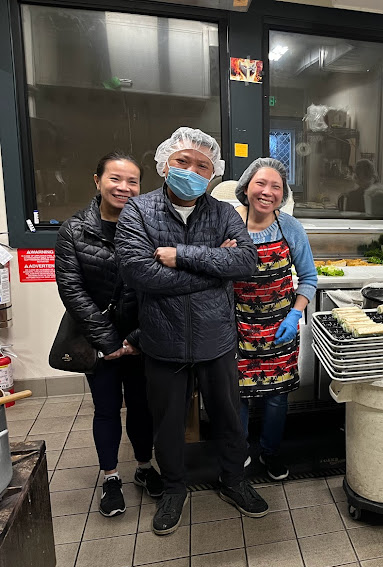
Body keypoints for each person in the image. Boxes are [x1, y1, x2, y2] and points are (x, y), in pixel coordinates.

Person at [115, 127, 267, 536]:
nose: (192, 171)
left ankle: (234, 480)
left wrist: (182, 256)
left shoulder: (222, 213)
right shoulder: (139, 212)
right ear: (165, 164)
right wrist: (212, 270)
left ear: (213, 174)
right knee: (166, 422)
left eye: (202, 166)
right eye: (183, 161)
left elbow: (245, 263)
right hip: (162, 340)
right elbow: (138, 271)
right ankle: (174, 488)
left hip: (215, 337)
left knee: (229, 418)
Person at [55, 152, 162, 517]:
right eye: (116, 178)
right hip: (97, 340)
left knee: (141, 406)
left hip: (140, 338)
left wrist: (134, 339)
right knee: (106, 409)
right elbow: (72, 290)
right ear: (97, 180)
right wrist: (110, 343)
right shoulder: (73, 230)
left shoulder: (148, 228)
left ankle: (145, 468)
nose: (124, 187)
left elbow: (156, 287)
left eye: (133, 181)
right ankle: (110, 476)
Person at [232, 158, 318, 480]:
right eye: (260, 184)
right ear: (246, 187)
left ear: (283, 195)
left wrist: (295, 313)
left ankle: (270, 452)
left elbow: (309, 277)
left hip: (279, 328)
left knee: (276, 397)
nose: (267, 192)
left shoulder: (289, 227)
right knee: (236, 395)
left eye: (276, 187)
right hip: (236, 328)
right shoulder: (228, 225)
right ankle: (238, 452)